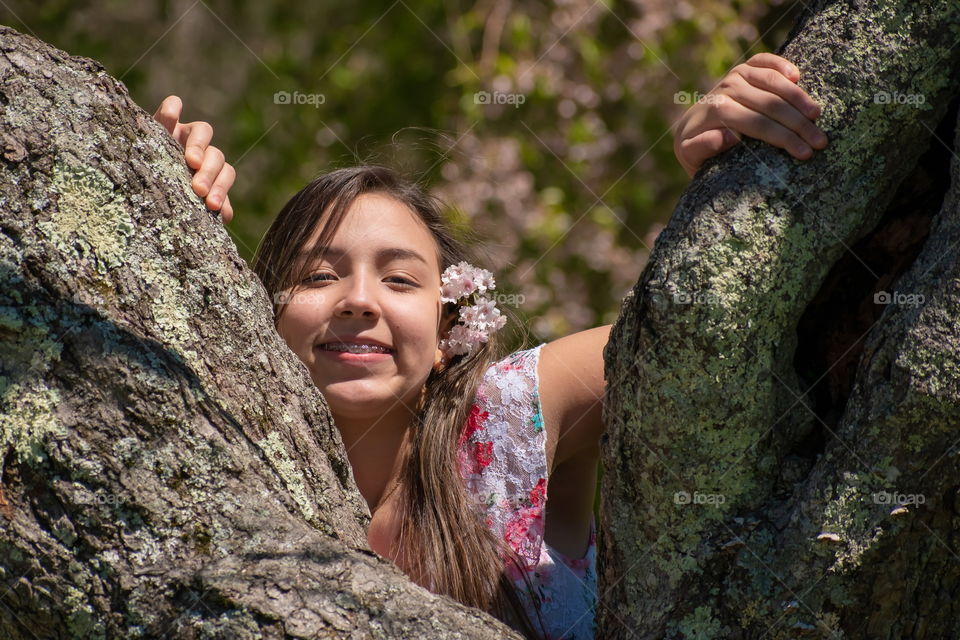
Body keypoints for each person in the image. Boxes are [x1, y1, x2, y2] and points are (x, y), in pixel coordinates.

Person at [152, 52, 827, 639]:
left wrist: (719, 177)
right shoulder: (210, 467)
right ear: (254, 315)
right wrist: (158, 204)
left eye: (398, 278)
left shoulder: (505, 420)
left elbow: (705, 334)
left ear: (449, 330)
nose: (357, 300)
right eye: (319, 276)